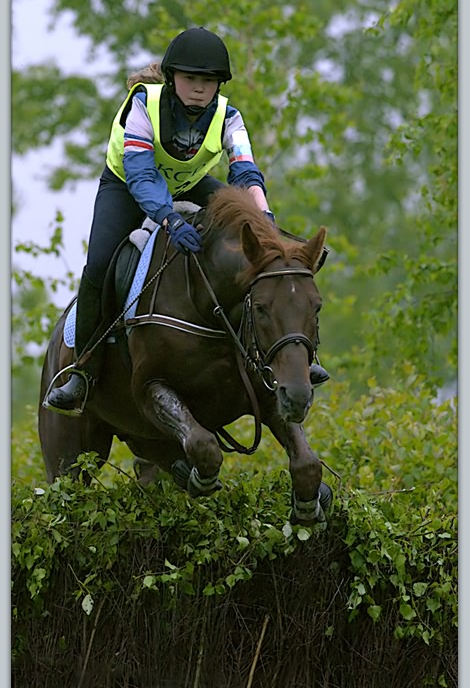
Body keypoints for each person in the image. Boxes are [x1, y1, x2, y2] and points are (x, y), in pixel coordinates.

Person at [44, 27, 329, 415]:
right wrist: (169, 221)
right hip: (127, 185)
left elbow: (245, 172)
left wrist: (265, 220)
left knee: (265, 244)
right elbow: (144, 177)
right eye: (191, 78)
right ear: (173, 77)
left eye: (208, 81)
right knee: (98, 263)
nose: (199, 88)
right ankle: (82, 370)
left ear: (218, 84)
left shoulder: (229, 116)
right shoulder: (142, 105)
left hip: (191, 183)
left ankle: (297, 354)